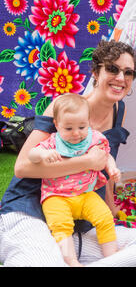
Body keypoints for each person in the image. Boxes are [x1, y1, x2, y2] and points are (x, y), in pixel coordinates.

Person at [0, 40, 136, 267]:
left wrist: (110, 207)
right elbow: (22, 167)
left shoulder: (118, 109)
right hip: (31, 212)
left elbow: (104, 163)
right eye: (113, 69)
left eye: (128, 72)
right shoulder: (64, 106)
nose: (121, 78)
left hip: (80, 224)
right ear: (96, 72)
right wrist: (86, 161)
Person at [28, 93, 121, 267]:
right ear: (57, 125)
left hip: (86, 194)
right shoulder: (53, 142)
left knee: (105, 217)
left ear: (88, 122)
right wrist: (43, 154)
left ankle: (112, 256)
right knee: (60, 225)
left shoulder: (94, 138)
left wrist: (112, 168)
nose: (76, 134)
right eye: (68, 129)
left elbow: (105, 155)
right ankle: (70, 260)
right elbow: (31, 155)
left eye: (82, 126)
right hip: (56, 196)